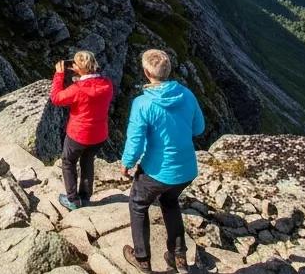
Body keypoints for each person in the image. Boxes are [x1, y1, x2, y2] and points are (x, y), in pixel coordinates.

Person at [120, 49, 205, 274]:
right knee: (170, 202)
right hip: (186, 169)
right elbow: (199, 128)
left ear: (147, 72)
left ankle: (142, 260)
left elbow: (135, 141)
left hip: (157, 171)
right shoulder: (187, 94)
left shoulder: (143, 103)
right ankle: (179, 258)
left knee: (138, 204)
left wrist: (126, 163)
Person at [51, 51, 114, 210]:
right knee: (87, 161)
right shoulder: (106, 84)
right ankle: (85, 196)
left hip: (79, 134)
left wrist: (59, 75)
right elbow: (92, 90)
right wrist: (80, 77)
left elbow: (56, 98)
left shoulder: (77, 88)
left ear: (80, 69)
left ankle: (72, 199)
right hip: (99, 135)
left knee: (68, 162)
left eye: (75, 64)